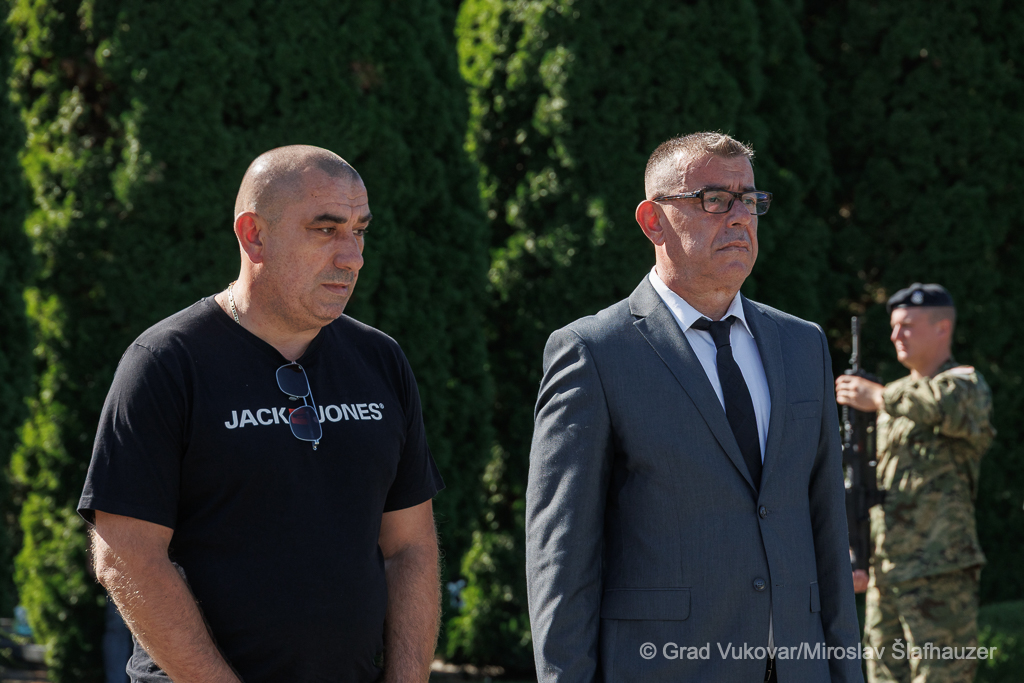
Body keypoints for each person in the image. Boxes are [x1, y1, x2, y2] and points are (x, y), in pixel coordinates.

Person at [79, 145, 444, 683]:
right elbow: (126, 556)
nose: (353, 257)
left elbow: (410, 547)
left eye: (359, 231)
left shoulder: (380, 361)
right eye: (326, 230)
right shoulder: (166, 364)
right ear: (253, 235)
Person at [526, 132, 863, 683]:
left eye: (749, 200)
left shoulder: (803, 345)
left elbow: (826, 527)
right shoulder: (594, 351)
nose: (740, 217)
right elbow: (561, 558)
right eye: (714, 200)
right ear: (652, 221)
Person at [835, 283, 993, 683]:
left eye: (906, 325)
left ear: (942, 328)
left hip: (939, 571)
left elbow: (941, 404)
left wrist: (879, 397)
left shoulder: (965, 385)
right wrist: (858, 555)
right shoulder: (892, 404)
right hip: (886, 573)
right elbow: (866, 486)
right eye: (893, 327)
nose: (895, 336)